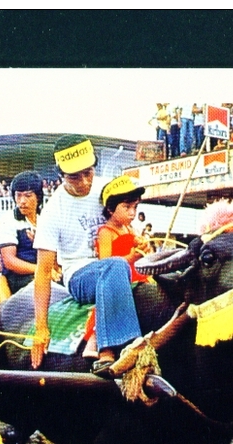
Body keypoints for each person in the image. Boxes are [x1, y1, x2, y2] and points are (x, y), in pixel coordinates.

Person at [31, 134, 142, 376]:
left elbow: (129, 220)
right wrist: (41, 327)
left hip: (119, 265)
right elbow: (43, 272)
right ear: (60, 175)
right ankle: (116, 348)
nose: (83, 182)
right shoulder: (52, 211)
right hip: (80, 275)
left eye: (88, 173)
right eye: (74, 176)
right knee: (114, 266)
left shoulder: (109, 189)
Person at [95, 175, 151, 284]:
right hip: (122, 282)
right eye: (127, 207)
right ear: (111, 209)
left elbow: (135, 244)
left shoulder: (129, 228)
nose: (132, 213)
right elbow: (105, 265)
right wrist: (131, 258)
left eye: (135, 207)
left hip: (138, 276)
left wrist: (142, 245)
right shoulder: (106, 232)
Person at [0, 171, 43, 294]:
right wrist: (41, 270)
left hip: (45, 269)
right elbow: (10, 262)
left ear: (38, 197)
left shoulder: (45, 218)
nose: (22, 201)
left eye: (27, 196)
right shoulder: (8, 220)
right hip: (18, 277)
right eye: (18, 195)